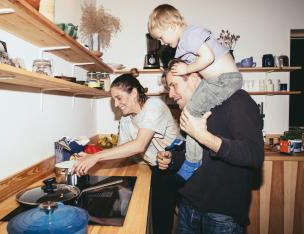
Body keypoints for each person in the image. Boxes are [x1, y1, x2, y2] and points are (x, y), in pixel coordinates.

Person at [157, 59, 264, 233]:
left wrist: (205, 137)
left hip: (222, 216)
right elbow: (191, 154)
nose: (171, 94)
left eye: (174, 85)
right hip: (188, 206)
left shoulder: (237, 100)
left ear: (192, 77)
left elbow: (254, 155)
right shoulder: (190, 111)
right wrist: (172, 159)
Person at [72, 73, 180, 234]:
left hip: (178, 166)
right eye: (113, 100)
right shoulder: (126, 118)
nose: (116, 104)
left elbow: (139, 145)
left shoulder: (154, 106)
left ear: (135, 93)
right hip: (158, 168)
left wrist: (96, 157)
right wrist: (91, 158)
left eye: (119, 98)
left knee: (176, 218)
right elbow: (122, 151)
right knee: (160, 218)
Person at [148, 4, 243, 181]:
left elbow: (209, 57)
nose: (162, 43)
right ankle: (187, 151)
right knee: (191, 113)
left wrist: (187, 68)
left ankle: (192, 161)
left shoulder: (190, 35)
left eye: (161, 37)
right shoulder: (184, 44)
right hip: (215, 81)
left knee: (191, 113)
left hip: (226, 80)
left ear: (171, 26)